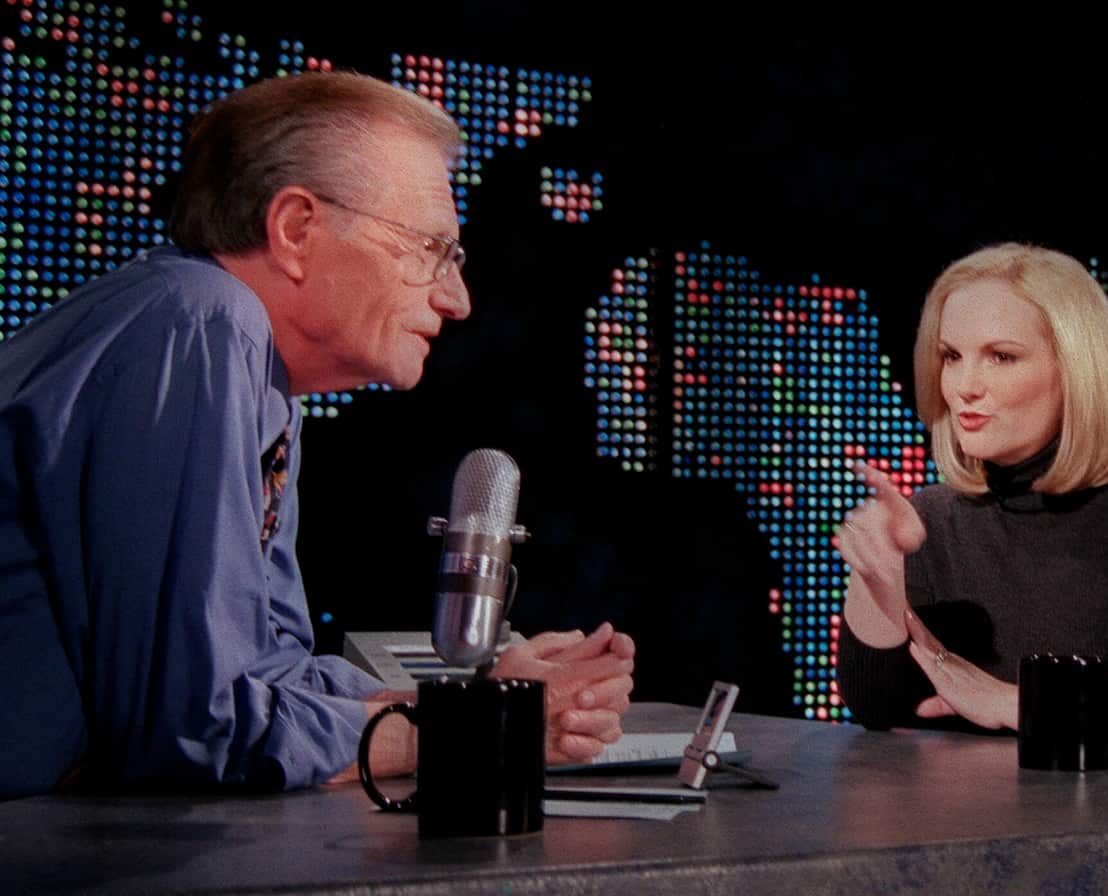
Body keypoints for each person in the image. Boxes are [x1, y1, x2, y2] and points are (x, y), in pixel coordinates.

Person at [0, 71, 634, 801]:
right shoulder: (204, 324)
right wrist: (480, 726)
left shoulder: (250, 370)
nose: (455, 299)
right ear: (297, 229)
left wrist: (482, 693)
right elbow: (196, 733)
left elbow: (267, 676)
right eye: (431, 247)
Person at [835, 243, 1108, 744]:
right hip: (976, 817)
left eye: (1001, 356)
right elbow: (880, 711)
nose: (964, 385)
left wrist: (1020, 703)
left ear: (1078, 368)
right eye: (951, 356)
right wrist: (879, 581)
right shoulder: (931, 518)